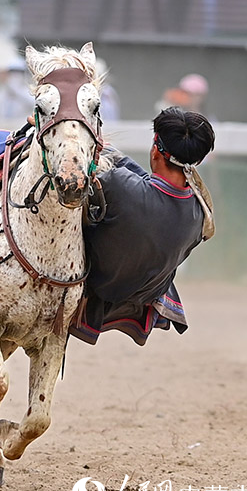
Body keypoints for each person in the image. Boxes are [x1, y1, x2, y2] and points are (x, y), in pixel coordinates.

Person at [69, 107, 215, 346]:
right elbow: (141, 182)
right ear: (196, 160)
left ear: (155, 150)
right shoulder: (200, 214)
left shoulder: (119, 185)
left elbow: (126, 183)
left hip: (95, 288)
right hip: (144, 294)